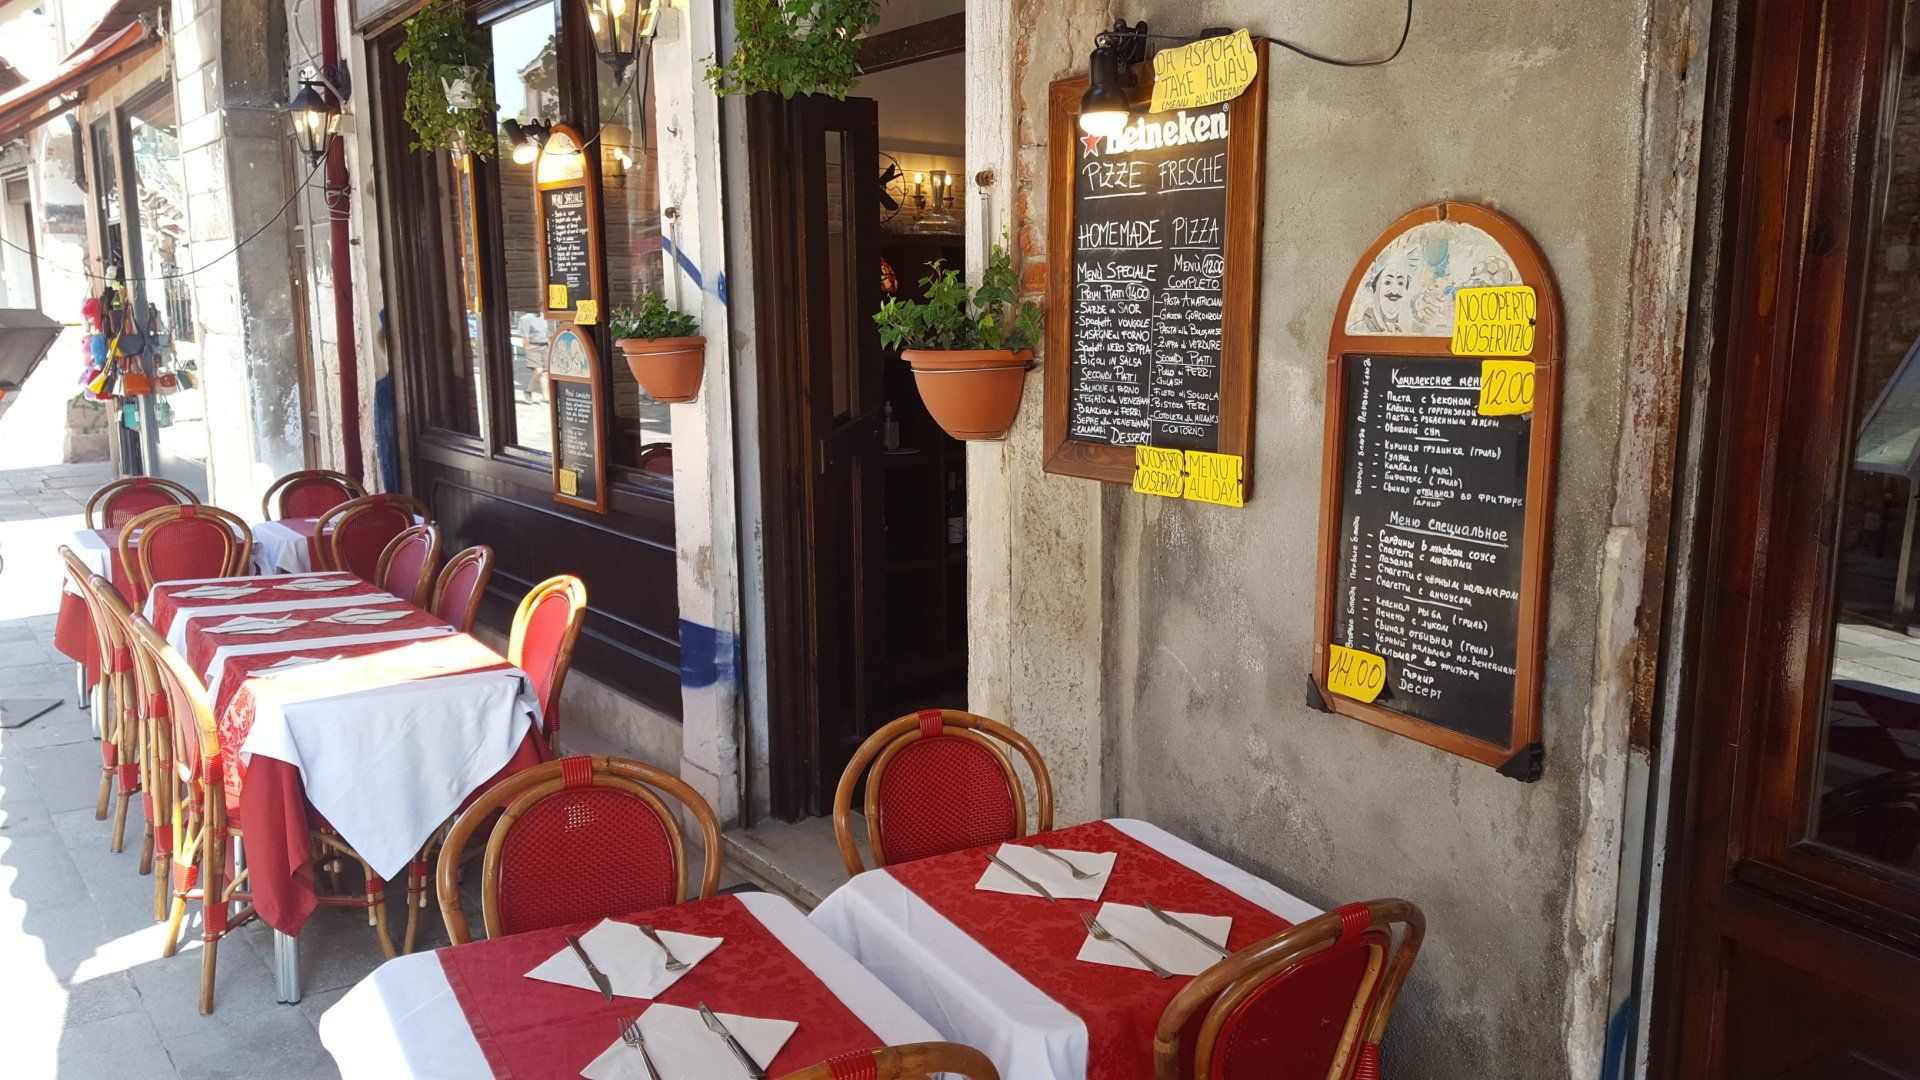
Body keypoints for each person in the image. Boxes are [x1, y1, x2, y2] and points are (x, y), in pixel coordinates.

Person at [514, 311, 551, 402]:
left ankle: (546, 397)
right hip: (533, 346)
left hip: (545, 345)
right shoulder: (525, 318)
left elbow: (548, 333)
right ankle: (528, 391)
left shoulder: (544, 316)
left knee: (545, 372)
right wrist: (528, 350)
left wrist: (550, 345)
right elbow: (525, 337)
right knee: (538, 371)